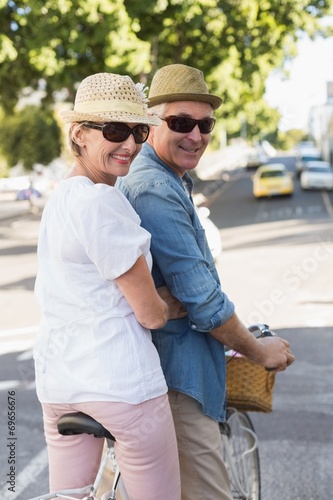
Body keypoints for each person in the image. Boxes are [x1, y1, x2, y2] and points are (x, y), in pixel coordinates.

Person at [117, 64, 296, 500]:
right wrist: (259, 353)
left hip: (174, 373)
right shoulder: (154, 188)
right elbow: (205, 304)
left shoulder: (168, 177)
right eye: (181, 122)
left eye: (205, 124)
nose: (195, 135)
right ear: (151, 123)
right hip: (179, 383)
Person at [33, 72, 182, 500]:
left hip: (59, 383)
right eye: (115, 130)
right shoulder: (101, 201)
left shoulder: (62, 197)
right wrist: (171, 303)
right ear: (79, 134)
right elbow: (150, 314)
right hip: (120, 383)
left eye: (139, 130)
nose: (131, 145)